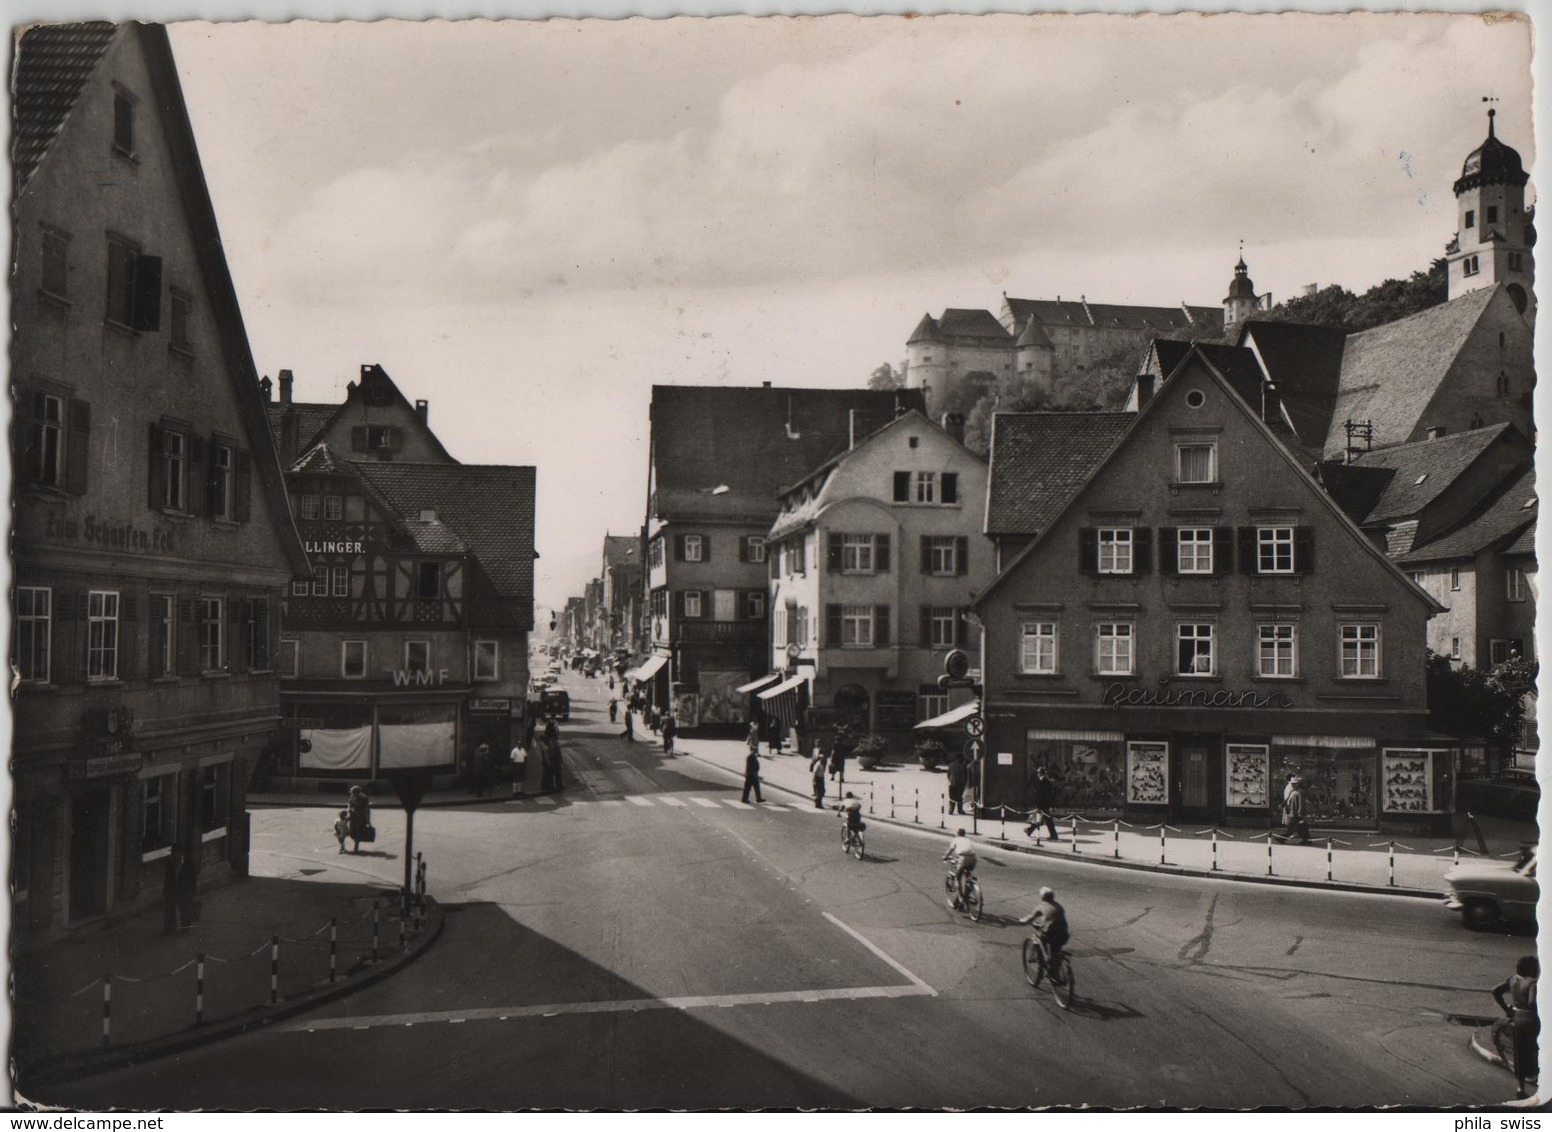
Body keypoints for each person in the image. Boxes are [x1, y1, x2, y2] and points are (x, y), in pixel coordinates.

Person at [1492, 955, 1540, 1099]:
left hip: (1517, 1018)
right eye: (1536, 967)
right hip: (1532, 1018)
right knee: (1537, 1048)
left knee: (1520, 1052)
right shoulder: (1532, 983)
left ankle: (1520, 1087)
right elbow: (1532, 1003)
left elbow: (1495, 991)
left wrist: (1506, 1008)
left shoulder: (1512, 979)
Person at [1019, 886, 1070, 975]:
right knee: (1055, 951)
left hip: (1050, 932)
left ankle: (1044, 960)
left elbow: (1030, 918)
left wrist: (1022, 921)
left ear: (1042, 897)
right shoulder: (1058, 906)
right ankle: (1055, 973)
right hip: (1063, 933)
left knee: (1040, 937)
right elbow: (1054, 918)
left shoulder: (1041, 906)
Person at [1023, 764, 1060, 841]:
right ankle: (1030, 830)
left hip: (1043, 804)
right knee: (1040, 819)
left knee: (1045, 820)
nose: (1037, 774)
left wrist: (1040, 804)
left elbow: (1044, 795)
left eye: (1038, 773)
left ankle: (1053, 835)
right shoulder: (1045, 781)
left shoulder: (1044, 781)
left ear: (1040, 773)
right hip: (1043, 804)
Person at [943, 828, 977, 907]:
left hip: (963, 859)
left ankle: (961, 899)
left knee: (957, 878)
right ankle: (967, 894)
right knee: (968, 877)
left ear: (957, 834)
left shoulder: (955, 839)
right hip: (973, 859)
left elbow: (950, 850)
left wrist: (945, 857)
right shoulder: (968, 840)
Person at [1282, 776, 1311, 844]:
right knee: (1301, 827)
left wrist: (1300, 813)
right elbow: (1287, 799)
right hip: (1292, 811)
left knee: (1291, 828)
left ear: (1298, 784)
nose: (1293, 785)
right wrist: (1283, 805)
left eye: (1295, 783)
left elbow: (1301, 803)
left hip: (1296, 813)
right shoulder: (1292, 791)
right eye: (1292, 783)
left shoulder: (1300, 792)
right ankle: (1306, 840)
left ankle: (1282, 838)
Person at [347, 785, 372, 853]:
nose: (353, 794)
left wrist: (368, 819)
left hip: (361, 816)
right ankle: (356, 842)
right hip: (353, 816)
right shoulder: (352, 796)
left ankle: (356, 846)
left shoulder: (363, 797)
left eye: (354, 793)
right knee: (352, 831)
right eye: (352, 793)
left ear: (358, 792)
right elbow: (349, 804)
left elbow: (367, 808)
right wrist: (349, 809)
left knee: (358, 831)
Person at [545, 718, 564, 791]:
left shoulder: (552, 739)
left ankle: (554, 785)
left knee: (554, 771)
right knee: (554, 771)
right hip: (553, 758)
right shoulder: (552, 740)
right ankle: (553, 785)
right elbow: (554, 750)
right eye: (556, 728)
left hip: (553, 757)